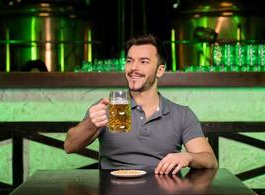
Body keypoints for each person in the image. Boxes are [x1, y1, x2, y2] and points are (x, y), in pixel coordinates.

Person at [64, 34, 218, 174]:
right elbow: (69, 146)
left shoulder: (181, 114)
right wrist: (90, 124)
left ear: (160, 70)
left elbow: (210, 161)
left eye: (143, 62)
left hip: (164, 194)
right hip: (113, 193)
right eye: (129, 61)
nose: (133, 68)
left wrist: (188, 157)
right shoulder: (109, 106)